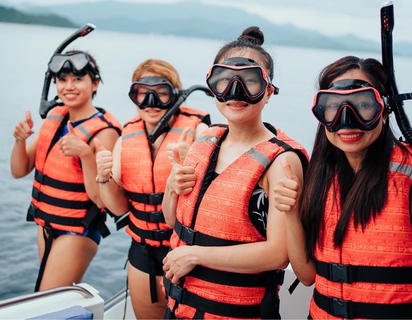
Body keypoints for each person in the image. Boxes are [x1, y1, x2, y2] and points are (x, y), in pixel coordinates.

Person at [273, 55, 412, 319]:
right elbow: (306, 275)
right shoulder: (321, 178)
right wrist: (290, 211)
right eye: (333, 106)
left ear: (385, 110)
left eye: (363, 105)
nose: (347, 119)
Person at [161, 26, 309, 319]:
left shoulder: (281, 161)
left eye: (249, 82)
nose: (235, 92)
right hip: (178, 307)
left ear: (268, 92)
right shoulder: (203, 141)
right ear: (212, 85)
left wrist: (196, 254)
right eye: (225, 80)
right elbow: (173, 220)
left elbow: (279, 254)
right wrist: (171, 187)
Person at [94, 58, 211, 319]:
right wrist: (103, 177)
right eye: (142, 94)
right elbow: (118, 207)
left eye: (161, 94)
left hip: (186, 252)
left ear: (176, 95)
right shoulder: (126, 137)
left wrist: (193, 159)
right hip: (143, 252)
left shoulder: (198, 131)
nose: (151, 103)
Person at [10, 50, 122, 292]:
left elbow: (101, 199)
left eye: (78, 79)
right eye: (62, 79)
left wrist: (85, 154)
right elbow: (19, 171)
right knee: (48, 300)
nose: (69, 86)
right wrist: (19, 140)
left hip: (77, 230)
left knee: (48, 301)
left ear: (95, 84)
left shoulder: (105, 132)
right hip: (46, 224)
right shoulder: (56, 118)